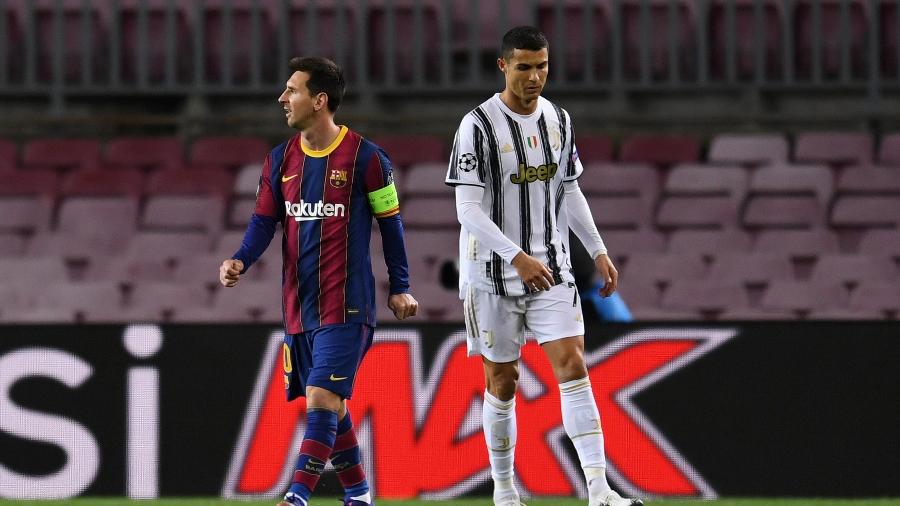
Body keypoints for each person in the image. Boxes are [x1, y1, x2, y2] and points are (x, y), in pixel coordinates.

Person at [445, 27, 643, 506]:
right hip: (492, 273)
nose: (535, 77)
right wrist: (517, 255)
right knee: (503, 380)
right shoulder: (478, 126)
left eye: (542, 66)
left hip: (551, 267)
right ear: (503, 67)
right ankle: (505, 490)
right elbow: (467, 210)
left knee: (573, 364)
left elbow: (569, 188)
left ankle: (599, 490)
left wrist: (597, 250)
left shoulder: (559, 120)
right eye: (524, 67)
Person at [220, 56, 418, 506]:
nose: (282, 98)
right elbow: (263, 222)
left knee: (322, 396)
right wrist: (240, 259)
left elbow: (391, 223)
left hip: (348, 308)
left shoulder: (368, 159)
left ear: (319, 100)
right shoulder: (280, 159)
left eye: (292, 90)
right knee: (333, 405)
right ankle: (359, 495)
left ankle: (296, 497)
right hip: (298, 309)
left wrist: (400, 285)